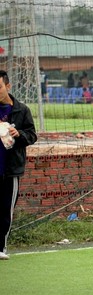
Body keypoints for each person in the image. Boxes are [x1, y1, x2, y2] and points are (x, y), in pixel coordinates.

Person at [0, 70, 37, 260]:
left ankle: (1, 247)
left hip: (11, 169)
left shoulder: (22, 110)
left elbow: (32, 135)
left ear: (7, 86)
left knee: (6, 209)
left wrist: (18, 134)